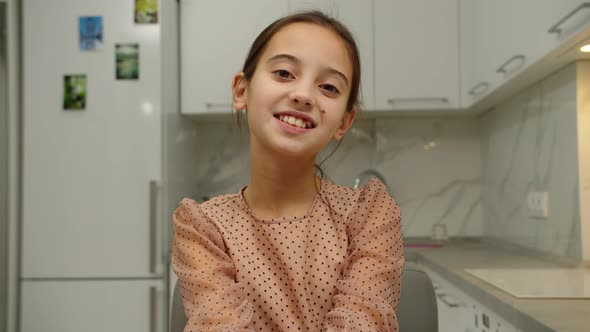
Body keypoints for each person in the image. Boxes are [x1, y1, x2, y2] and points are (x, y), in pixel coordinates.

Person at [172, 10, 404, 331]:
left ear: (344, 122)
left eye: (329, 87)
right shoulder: (203, 227)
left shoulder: (369, 215)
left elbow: (363, 322)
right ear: (241, 91)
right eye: (284, 73)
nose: (303, 95)